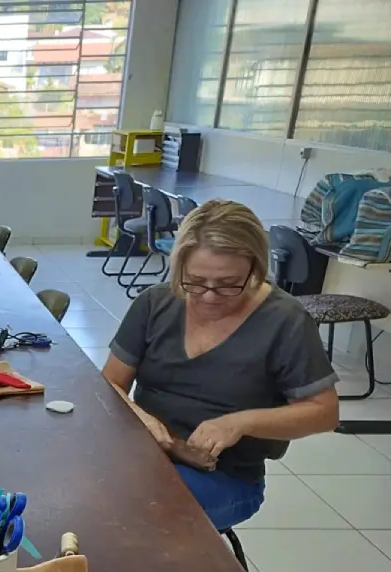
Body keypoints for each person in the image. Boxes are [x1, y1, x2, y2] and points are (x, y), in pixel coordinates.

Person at [103, 199, 339, 531]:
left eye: (229, 284)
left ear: (255, 269)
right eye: (195, 281)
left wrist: (239, 423)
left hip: (224, 477)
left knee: (126, 520)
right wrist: (148, 424)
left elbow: (324, 412)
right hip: (146, 455)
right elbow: (108, 385)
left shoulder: (284, 321)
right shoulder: (156, 303)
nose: (210, 296)